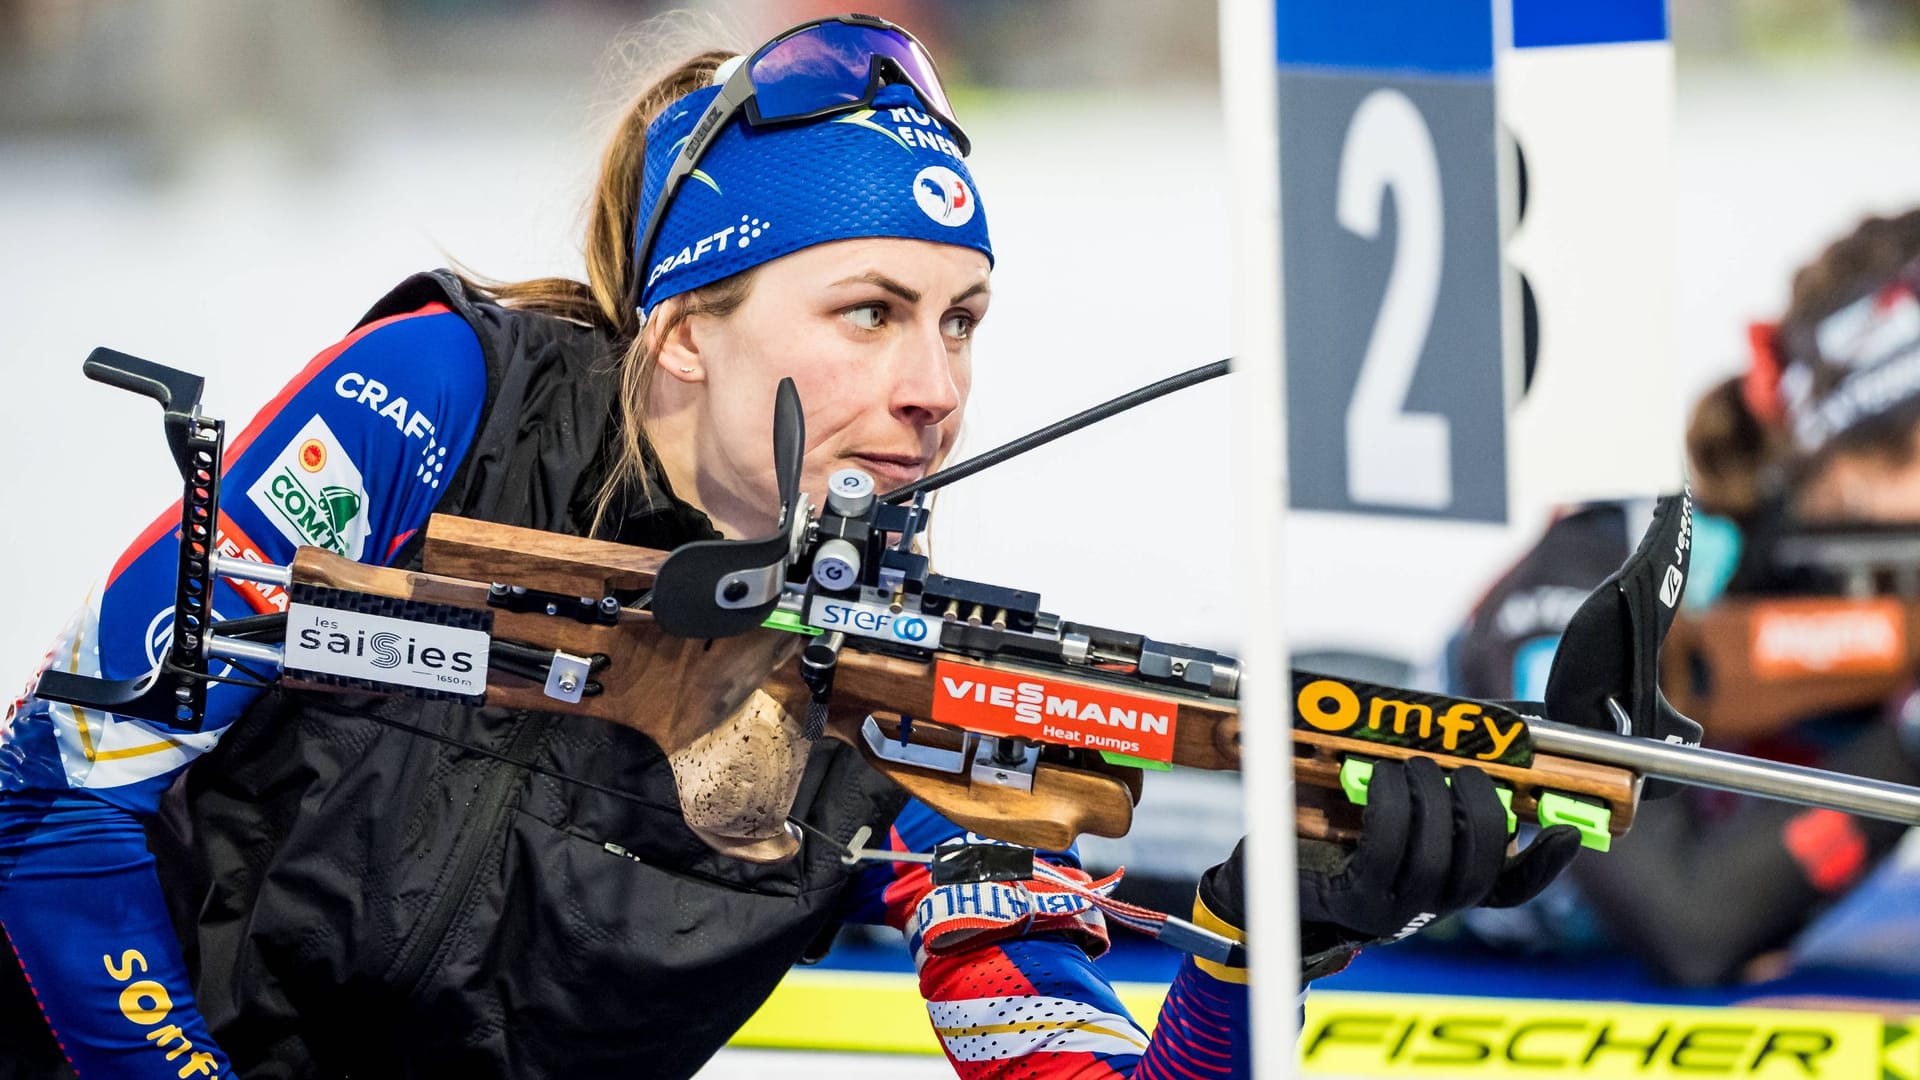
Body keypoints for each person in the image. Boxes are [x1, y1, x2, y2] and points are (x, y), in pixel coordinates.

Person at [0, 15, 1580, 1077]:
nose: (937, 388)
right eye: (871, 315)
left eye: (962, 321)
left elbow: (1063, 1061)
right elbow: (54, 794)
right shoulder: (443, 401)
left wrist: (1273, 938)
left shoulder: (900, 676)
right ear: (686, 331)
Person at [1441, 208, 1920, 985]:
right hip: (1214, 839)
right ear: (1855, 460)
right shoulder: (1617, 559)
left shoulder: (1881, 610)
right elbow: (1687, 923)